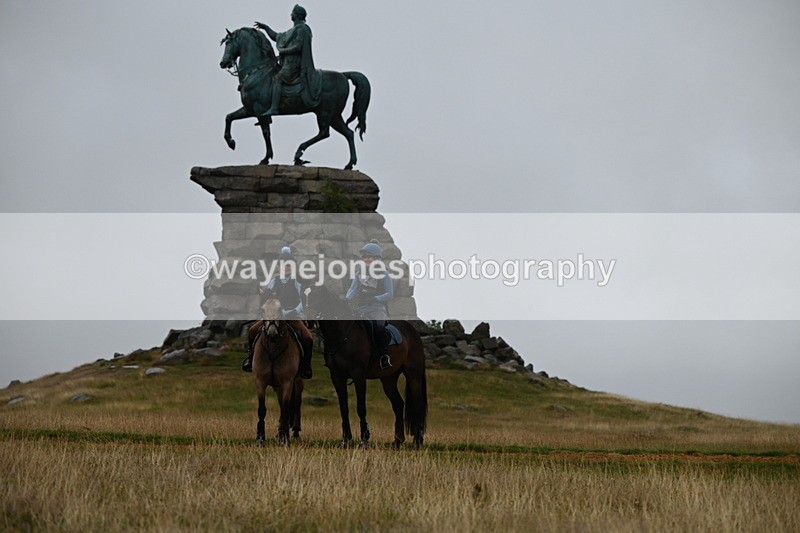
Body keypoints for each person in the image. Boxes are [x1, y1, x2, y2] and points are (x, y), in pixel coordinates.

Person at [242, 247, 314, 379]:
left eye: (288, 265)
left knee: (308, 338)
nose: (285, 268)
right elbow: (267, 298)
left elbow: (301, 302)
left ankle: (306, 366)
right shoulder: (274, 281)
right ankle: (250, 359)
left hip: (293, 316)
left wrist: (292, 311)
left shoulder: (297, 281)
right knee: (252, 330)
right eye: (283, 265)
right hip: (274, 317)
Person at [254, 4, 321, 115]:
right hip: (287, 63)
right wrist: (266, 28)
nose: (291, 14)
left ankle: (274, 108)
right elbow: (277, 37)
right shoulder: (291, 31)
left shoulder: (303, 29)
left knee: (278, 78)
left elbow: (298, 47)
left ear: (297, 15)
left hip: (295, 64)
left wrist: (284, 51)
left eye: (293, 12)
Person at [345, 240, 394, 369]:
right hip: (361, 309)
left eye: (369, 257)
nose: (366, 259)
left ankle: (384, 356)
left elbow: (390, 294)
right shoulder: (359, 273)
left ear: (377, 258)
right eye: (365, 257)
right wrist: (346, 299)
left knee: (378, 328)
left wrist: (375, 298)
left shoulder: (384, 274)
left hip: (377, 309)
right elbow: (353, 289)